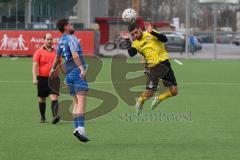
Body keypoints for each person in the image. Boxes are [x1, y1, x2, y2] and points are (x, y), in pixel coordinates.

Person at [120, 22, 178, 112]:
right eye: (132, 34)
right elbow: (132, 53)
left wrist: (152, 32)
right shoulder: (135, 43)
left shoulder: (150, 33)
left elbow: (165, 39)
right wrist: (127, 40)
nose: (135, 35)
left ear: (139, 28)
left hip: (164, 64)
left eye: (136, 32)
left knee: (174, 91)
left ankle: (159, 98)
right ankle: (140, 100)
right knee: (149, 93)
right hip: (153, 68)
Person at [51, 19, 89, 142]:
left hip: (69, 76)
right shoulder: (71, 38)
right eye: (71, 24)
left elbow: (57, 57)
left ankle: (76, 128)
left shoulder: (61, 40)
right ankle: (80, 128)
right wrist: (81, 68)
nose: (73, 26)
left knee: (76, 102)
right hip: (76, 73)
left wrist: (52, 69)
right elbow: (74, 55)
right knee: (82, 101)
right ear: (66, 26)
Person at [32, 33, 61, 124]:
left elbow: (61, 65)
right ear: (44, 40)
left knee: (54, 96)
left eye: (51, 39)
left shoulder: (56, 52)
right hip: (42, 78)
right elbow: (35, 66)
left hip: (54, 78)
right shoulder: (38, 52)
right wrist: (34, 78)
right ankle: (43, 117)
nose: (49, 41)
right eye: (48, 39)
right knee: (42, 98)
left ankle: (55, 116)